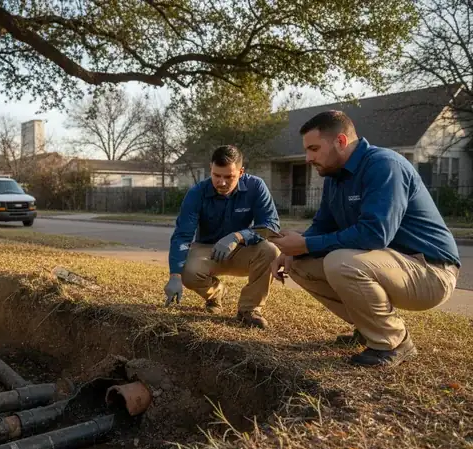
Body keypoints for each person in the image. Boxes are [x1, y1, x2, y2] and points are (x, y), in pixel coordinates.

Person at [270, 110, 460, 367]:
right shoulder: (334, 177)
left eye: (314, 149)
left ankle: (392, 341)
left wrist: (305, 244)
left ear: (340, 141)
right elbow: (322, 226)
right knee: (299, 263)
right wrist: (291, 251)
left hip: (431, 271)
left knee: (341, 262)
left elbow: (375, 234)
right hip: (390, 265)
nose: (308, 158)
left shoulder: (384, 166)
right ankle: (368, 327)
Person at [164, 145, 281, 329]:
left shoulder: (256, 186)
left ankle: (249, 310)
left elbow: (271, 225)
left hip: (241, 248)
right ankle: (215, 294)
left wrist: (238, 236)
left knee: (271, 251)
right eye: (216, 175)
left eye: (229, 177)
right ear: (210, 168)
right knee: (186, 270)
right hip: (207, 251)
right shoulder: (197, 193)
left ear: (241, 172)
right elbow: (182, 235)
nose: (222, 182)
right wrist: (175, 275)